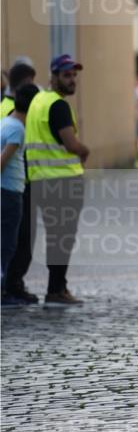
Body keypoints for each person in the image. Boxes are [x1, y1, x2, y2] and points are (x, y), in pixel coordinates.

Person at [25, 54, 90, 306]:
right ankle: (56, 290)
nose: (72, 80)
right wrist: (85, 151)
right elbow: (71, 144)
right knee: (63, 237)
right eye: (66, 75)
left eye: (74, 75)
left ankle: (56, 288)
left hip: (40, 181)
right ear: (53, 76)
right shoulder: (58, 106)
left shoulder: (38, 100)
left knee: (56, 236)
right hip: (62, 182)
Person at [1, 83, 39, 306]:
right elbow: (3, 161)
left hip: (7, 191)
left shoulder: (4, 122)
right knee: (7, 244)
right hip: (10, 193)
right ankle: (3, 292)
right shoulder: (17, 129)